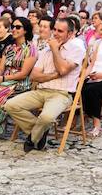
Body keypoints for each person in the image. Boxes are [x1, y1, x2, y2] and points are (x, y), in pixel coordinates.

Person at [5, 16, 85, 152]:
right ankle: (39, 132)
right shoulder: (46, 51)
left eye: (60, 31)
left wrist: (54, 50)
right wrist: (54, 75)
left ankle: (33, 138)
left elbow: (63, 69)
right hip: (41, 91)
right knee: (10, 105)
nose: (55, 33)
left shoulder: (75, 49)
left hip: (62, 94)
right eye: (54, 29)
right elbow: (33, 77)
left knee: (47, 117)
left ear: (70, 34)